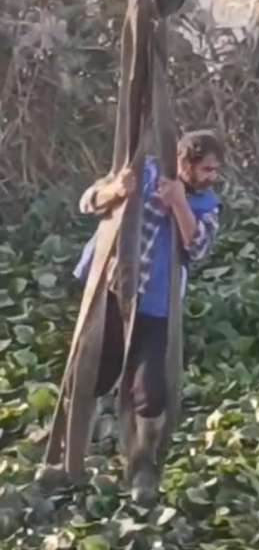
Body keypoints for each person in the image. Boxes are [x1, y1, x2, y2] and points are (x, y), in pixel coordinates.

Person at [38, 129, 223, 503]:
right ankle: (69, 462)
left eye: (215, 170)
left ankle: (142, 467)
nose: (211, 177)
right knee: (87, 378)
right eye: (206, 169)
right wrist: (117, 191)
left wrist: (179, 205)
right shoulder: (144, 171)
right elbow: (88, 202)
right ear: (184, 163)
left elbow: (199, 248)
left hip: (155, 306)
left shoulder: (205, 203)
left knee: (151, 393)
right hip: (112, 294)